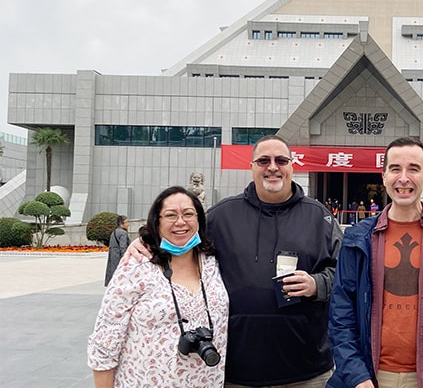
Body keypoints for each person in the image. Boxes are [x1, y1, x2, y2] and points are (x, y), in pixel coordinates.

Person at [128, 136, 343, 387]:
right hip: (235, 372)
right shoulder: (221, 216)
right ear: (251, 166)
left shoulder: (319, 218)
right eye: (263, 160)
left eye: (280, 160)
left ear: (292, 166)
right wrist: (146, 242)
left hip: (307, 371)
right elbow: (181, 242)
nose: (272, 167)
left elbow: (347, 275)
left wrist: (318, 283)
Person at [327, 137, 423, 388]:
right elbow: (341, 312)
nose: (404, 178)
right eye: (395, 169)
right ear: (384, 176)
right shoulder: (358, 237)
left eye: (414, 169)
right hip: (370, 377)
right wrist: (356, 375)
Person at [88, 186, 229, 387]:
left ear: (199, 219)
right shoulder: (137, 265)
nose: (180, 222)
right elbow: (105, 340)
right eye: (170, 215)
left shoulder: (212, 262)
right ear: (157, 221)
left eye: (188, 214)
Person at [104, 214, 130, 286]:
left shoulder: (114, 232)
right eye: (126, 222)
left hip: (113, 256)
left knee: (113, 271)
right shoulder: (123, 233)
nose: (128, 224)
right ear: (121, 224)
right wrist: (125, 259)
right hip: (119, 256)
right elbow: (123, 247)